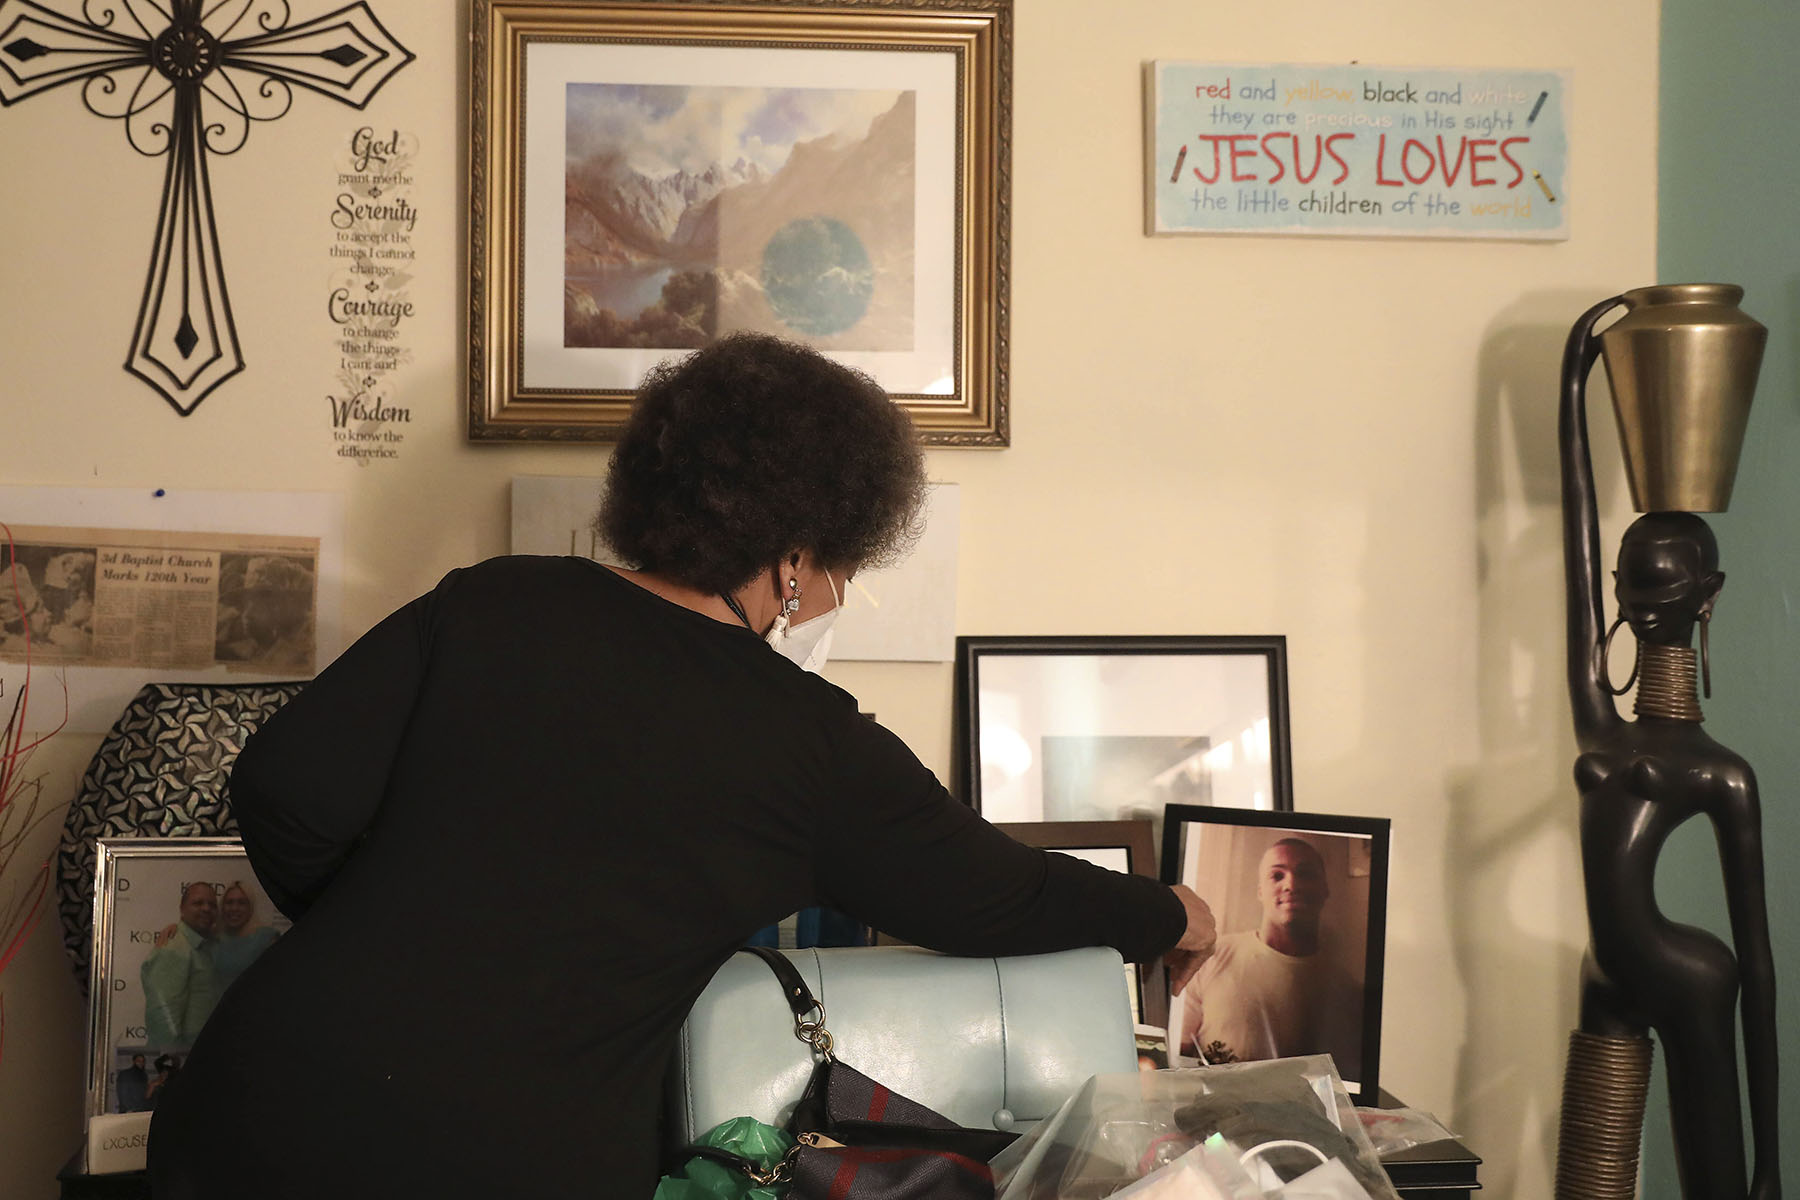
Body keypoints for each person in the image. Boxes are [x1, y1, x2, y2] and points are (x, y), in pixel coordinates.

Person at [149, 333, 1218, 1200]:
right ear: (794, 556)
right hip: (497, 1164)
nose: (838, 595)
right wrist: (1173, 914)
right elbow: (996, 894)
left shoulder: (495, 600)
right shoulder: (812, 746)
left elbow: (282, 788)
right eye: (843, 566)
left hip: (250, 1107)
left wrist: (390, 924)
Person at [1179, 838, 1360, 1079]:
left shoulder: (1346, 988)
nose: (1291, 884)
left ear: (1324, 889)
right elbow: (1175, 1054)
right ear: (1260, 891)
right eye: (1277, 876)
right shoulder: (1211, 955)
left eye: (1305, 874)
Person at [141, 882, 222, 1050]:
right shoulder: (174, 948)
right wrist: (174, 1069)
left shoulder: (208, 945)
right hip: (184, 1061)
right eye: (198, 903)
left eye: (212, 905)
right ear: (182, 908)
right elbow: (163, 1019)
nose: (206, 909)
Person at [210, 882, 281, 992]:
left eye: (241, 903)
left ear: (250, 907)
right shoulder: (214, 936)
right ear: (222, 907)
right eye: (229, 902)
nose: (234, 908)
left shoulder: (266, 938)